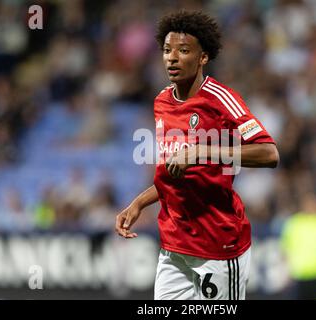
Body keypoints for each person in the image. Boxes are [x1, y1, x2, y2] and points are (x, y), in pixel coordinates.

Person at [115, 10, 279, 300]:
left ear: (203, 57)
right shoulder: (162, 102)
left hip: (218, 246)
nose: (172, 58)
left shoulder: (221, 99)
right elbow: (174, 172)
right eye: (167, 50)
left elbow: (269, 153)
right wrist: (139, 203)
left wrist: (203, 151)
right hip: (174, 246)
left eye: (183, 50)